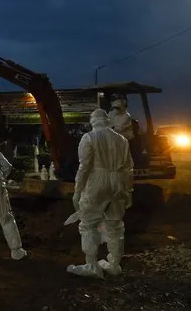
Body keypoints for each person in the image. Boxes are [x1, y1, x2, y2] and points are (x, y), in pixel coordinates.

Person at [67, 109, 134, 279]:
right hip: (117, 181)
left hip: (97, 182)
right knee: (115, 225)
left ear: (93, 121)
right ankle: (114, 264)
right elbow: (128, 168)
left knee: (88, 224)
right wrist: (128, 190)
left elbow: (84, 167)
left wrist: (77, 190)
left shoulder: (89, 138)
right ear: (107, 120)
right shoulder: (122, 139)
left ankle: (91, 265)